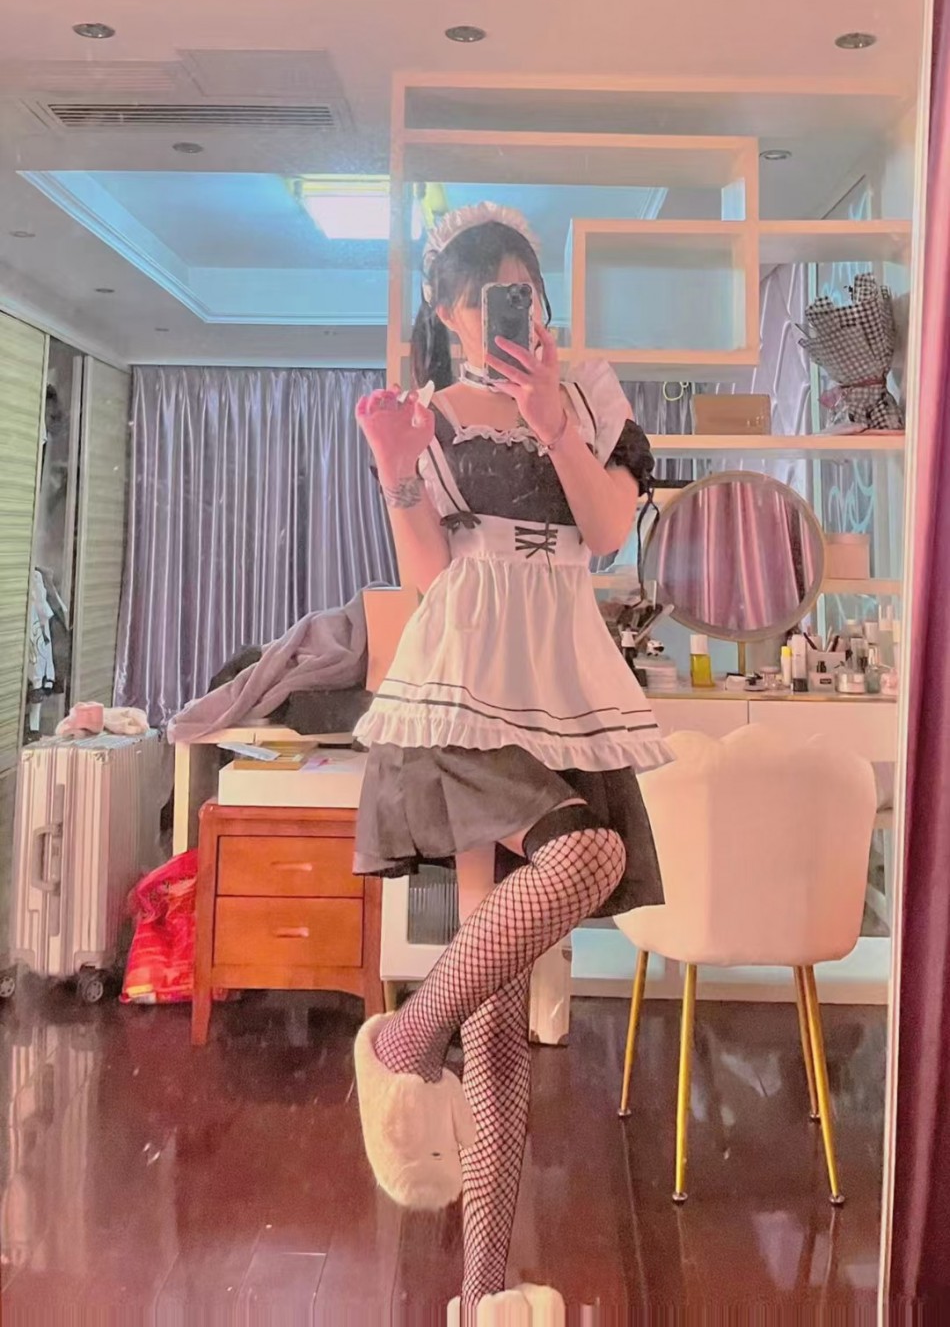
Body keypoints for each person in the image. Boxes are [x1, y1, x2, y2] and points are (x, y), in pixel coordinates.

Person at [352, 203, 668, 1324]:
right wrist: (397, 469)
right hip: (466, 674)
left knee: (500, 1008)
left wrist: (554, 422)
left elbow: (609, 533)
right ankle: (405, 1038)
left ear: (538, 299)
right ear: (446, 316)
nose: (502, 312)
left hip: (564, 679)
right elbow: (431, 574)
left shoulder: (590, 392)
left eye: (519, 292)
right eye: (477, 299)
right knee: (586, 859)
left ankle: (482, 1290)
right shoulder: (431, 414)